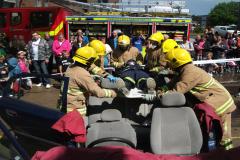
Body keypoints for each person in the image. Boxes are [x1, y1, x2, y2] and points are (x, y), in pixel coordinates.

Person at [145, 48, 236, 150]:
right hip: (212, 102)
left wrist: (160, 95)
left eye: (169, 63)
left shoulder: (190, 73)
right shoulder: (185, 70)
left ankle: (228, 154)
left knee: (223, 136)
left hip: (221, 105)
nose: (168, 66)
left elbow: (177, 92)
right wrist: (162, 88)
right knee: (210, 133)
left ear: (176, 63)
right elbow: (173, 82)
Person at [64, 46, 117, 116]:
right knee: (78, 126)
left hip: (65, 105)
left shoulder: (71, 66)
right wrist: (114, 93)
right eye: (92, 61)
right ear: (88, 61)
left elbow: (91, 67)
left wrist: (105, 75)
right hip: (75, 110)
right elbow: (99, 92)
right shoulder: (83, 74)